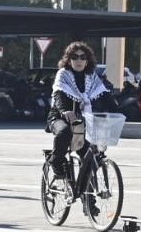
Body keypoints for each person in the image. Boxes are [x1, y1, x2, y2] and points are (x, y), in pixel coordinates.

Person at [46, 42, 112, 180]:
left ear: (87, 61)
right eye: (75, 57)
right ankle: (55, 161)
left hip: (81, 119)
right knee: (64, 132)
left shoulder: (91, 76)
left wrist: (119, 111)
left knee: (89, 157)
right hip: (59, 116)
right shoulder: (63, 74)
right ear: (69, 60)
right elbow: (58, 95)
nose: (79, 60)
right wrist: (64, 110)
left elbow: (104, 94)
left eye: (83, 57)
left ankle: (89, 197)